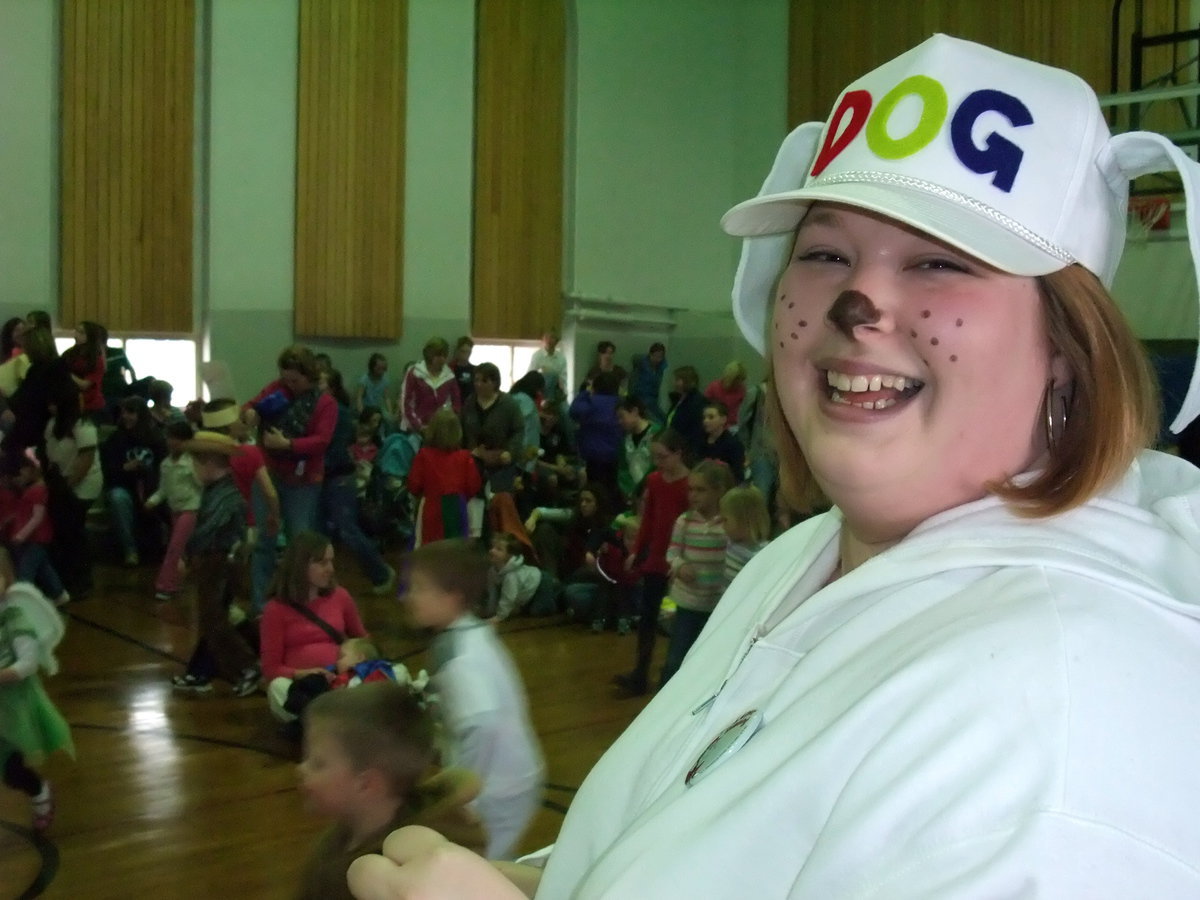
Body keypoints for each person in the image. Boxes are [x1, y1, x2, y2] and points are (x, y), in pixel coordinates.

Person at [350, 35, 1200, 897]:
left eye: (940, 262)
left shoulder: (1062, 720)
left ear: (1066, 348)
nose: (858, 305)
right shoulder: (807, 560)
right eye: (826, 253)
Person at [405, 539, 545, 859]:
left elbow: (484, 726)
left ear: (452, 597)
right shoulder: (469, 634)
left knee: (480, 874)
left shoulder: (461, 657)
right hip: (508, 779)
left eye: (419, 588)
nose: (409, 597)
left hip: (500, 789)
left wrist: (461, 794)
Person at [296, 682, 486, 900]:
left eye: (317, 763)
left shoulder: (403, 877)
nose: (301, 769)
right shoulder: (337, 841)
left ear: (365, 784)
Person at [170, 431, 260, 698]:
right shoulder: (220, 492)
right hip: (218, 562)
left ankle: (246, 666)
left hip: (217, 563)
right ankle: (202, 670)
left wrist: (187, 556)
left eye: (196, 464)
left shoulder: (226, 497)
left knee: (214, 620)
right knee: (219, 615)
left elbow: (206, 532)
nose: (193, 471)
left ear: (209, 463)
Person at [613, 428, 691, 697]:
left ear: (678, 453)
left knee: (680, 620)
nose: (658, 462)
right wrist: (638, 549)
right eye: (655, 457)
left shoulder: (690, 484)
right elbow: (648, 519)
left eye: (663, 456)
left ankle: (673, 676)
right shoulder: (656, 481)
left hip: (680, 559)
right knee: (647, 618)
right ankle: (640, 673)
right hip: (657, 558)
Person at [260, 531, 369, 722]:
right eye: (322, 563)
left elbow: (363, 639)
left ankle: (324, 719)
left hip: (339, 680)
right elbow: (271, 668)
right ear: (301, 565)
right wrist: (303, 674)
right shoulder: (275, 610)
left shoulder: (340, 596)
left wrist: (357, 658)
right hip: (303, 686)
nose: (330, 569)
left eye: (331, 561)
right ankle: (329, 718)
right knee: (278, 687)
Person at [0, 550, 73, 833]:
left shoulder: (15, 619)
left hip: (12, 702)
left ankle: (40, 791)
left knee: (11, 769)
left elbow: (27, 664)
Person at [243, 345, 337, 537]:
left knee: (298, 535)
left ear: (309, 376)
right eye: (285, 379)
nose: (289, 384)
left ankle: (296, 567)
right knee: (263, 535)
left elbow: (322, 441)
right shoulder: (278, 388)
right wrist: (250, 413)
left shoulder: (326, 403)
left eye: (295, 380)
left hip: (303, 479)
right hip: (269, 470)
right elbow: (251, 405)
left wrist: (288, 444)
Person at [318, 370, 397, 596]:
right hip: (325, 477)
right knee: (322, 531)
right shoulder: (319, 410)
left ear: (331, 388)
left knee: (347, 530)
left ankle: (380, 571)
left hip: (338, 476)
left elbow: (334, 448)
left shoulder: (339, 414)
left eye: (321, 381)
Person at [659, 459, 733, 686]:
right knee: (675, 660)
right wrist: (680, 566)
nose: (693, 495)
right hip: (688, 603)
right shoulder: (685, 521)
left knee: (708, 663)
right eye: (691, 489)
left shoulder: (729, 523)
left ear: (719, 491)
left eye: (701, 490)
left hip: (717, 605)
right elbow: (672, 553)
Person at [42, 381, 101, 602]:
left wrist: (67, 488)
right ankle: (65, 579)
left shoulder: (83, 425)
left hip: (82, 485)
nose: (50, 406)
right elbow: (51, 457)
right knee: (64, 533)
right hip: (62, 481)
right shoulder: (53, 424)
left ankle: (81, 581)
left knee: (73, 532)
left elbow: (86, 460)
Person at [101, 396, 166, 566]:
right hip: (123, 486)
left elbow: (164, 467)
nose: (125, 416)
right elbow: (107, 470)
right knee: (118, 498)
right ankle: (130, 550)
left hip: (152, 486)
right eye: (123, 412)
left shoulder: (156, 439)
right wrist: (124, 469)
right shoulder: (115, 439)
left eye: (131, 412)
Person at [144, 420, 202, 601]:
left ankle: (165, 585)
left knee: (175, 548)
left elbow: (201, 484)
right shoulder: (165, 464)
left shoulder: (192, 462)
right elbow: (164, 489)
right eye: (170, 438)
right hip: (175, 510)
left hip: (191, 509)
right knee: (182, 549)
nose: (172, 442)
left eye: (176, 438)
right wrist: (152, 501)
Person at [407, 409, 482, 546]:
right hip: (457, 506)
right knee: (456, 549)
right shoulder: (465, 457)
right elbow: (473, 486)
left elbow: (414, 485)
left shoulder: (424, 455)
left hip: (431, 505)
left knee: (428, 548)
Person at [5, 455, 70, 607]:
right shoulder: (33, 490)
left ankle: (23, 603)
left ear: (32, 470)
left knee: (25, 572)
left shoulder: (38, 490)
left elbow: (37, 517)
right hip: (35, 539)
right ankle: (59, 593)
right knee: (43, 568)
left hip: (37, 539)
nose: (19, 476)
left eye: (22, 473)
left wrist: (21, 535)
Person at [568, 370, 622, 500]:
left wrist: (586, 392)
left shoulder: (591, 403)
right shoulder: (620, 403)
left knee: (595, 489)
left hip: (593, 454)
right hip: (615, 454)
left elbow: (573, 411)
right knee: (610, 488)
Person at [485, 532, 558, 623]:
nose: (492, 551)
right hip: (528, 590)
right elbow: (492, 592)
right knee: (526, 610)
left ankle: (558, 595)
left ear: (510, 555)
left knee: (538, 611)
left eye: (499, 549)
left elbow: (509, 598)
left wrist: (499, 617)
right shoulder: (492, 571)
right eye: (492, 547)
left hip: (541, 583)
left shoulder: (511, 575)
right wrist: (490, 612)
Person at [399, 337, 461, 434]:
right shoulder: (414, 373)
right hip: (415, 429)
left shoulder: (450, 376)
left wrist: (447, 424)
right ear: (429, 355)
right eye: (438, 355)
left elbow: (456, 403)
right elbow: (406, 403)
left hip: (441, 431)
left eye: (444, 355)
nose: (442, 359)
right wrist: (420, 427)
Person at [718, 485, 771, 586]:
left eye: (725, 520)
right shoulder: (729, 542)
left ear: (744, 521)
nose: (722, 526)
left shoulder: (761, 554)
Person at [615, 396, 658, 505]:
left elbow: (658, 466)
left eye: (622, 416)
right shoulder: (625, 441)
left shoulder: (657, 434)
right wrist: (630, 492)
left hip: (653, 493)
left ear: (634, 411)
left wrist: (643, 489)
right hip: (633, 497)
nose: (620, 422)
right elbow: (623, 471)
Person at [62, 321, 107, 422]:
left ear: (90, 336)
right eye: (76, 331)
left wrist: (66, 373)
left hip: (91, 406)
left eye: (81, 332)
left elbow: (85, 385)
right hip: (71, 403)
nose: (76, 335)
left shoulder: (96, 359)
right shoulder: (69, 354)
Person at [664, 364, 705, 455]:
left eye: (678, 380)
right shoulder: (678, 399)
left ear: (687, 382)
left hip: (684, 449)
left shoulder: (696, 403)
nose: (674, 383)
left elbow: (695, 431)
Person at [697, 400, 745, 477]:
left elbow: (737, 474)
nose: (705, 421)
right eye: (704, 418)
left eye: (711, 417)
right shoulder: (699, 440)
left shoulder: (733, 445)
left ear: (723, 420)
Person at [629, 342, 668, 424]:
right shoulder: (641, 365)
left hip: (655, 399)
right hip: (641, 398)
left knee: (664, 418)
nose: (658, 359)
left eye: (660, 357)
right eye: (655, 356)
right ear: (650, 355)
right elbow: (633, 384)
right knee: (656, 420)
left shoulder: (663, 368)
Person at [703, 361, 748, 430]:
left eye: (742, 380)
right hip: (713, 425)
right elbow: (704, 406)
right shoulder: (714, 387)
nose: (740, 383)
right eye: (738, 379)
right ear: (731, 378)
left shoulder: (742, 390)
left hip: (732, 427)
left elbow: (742, 411)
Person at [529, 330, 568, 404]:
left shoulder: (561, 358)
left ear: (557, 341)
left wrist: (564, 392)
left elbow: (563, 378)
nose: (549, 340)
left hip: (556, 391)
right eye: (546, 337)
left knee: (566, 412)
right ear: (543, 340)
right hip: (539, 392)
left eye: (552, 337)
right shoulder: (537, 356)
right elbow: (530, 375)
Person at [449, 336, 476, 407]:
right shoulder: (449, 369)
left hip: (470, 406)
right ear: (457, 351)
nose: (465, 355)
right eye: (462, 351)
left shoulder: (475, 370)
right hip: (453, 405)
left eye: (468, 352)